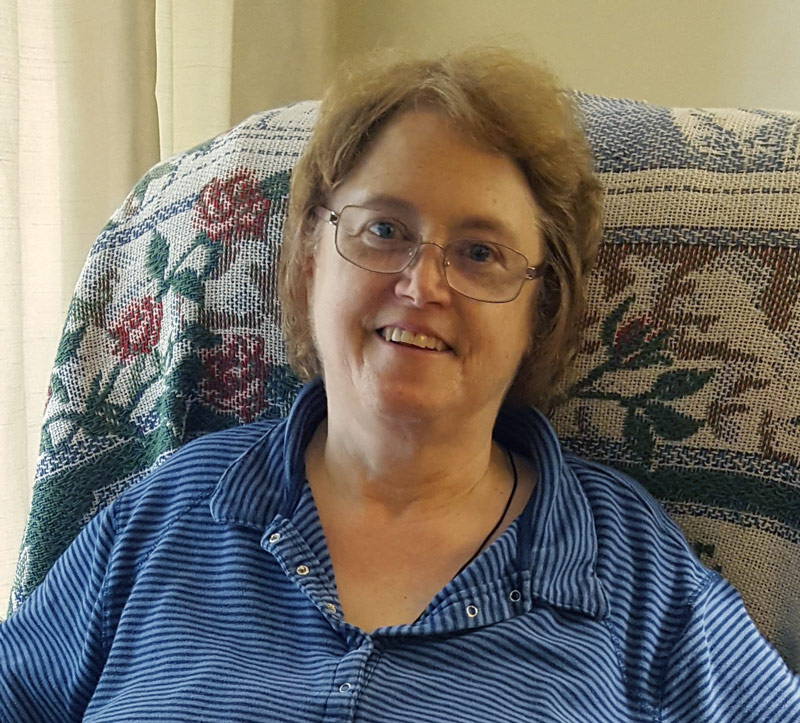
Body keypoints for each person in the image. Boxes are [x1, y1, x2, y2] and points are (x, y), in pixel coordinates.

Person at [1, 47, 799, 722]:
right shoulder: (167, 513)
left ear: (539, 311)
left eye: (481, 251)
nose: (422, 284)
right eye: (384, 230)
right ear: (312, 261)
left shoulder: (632, 565)